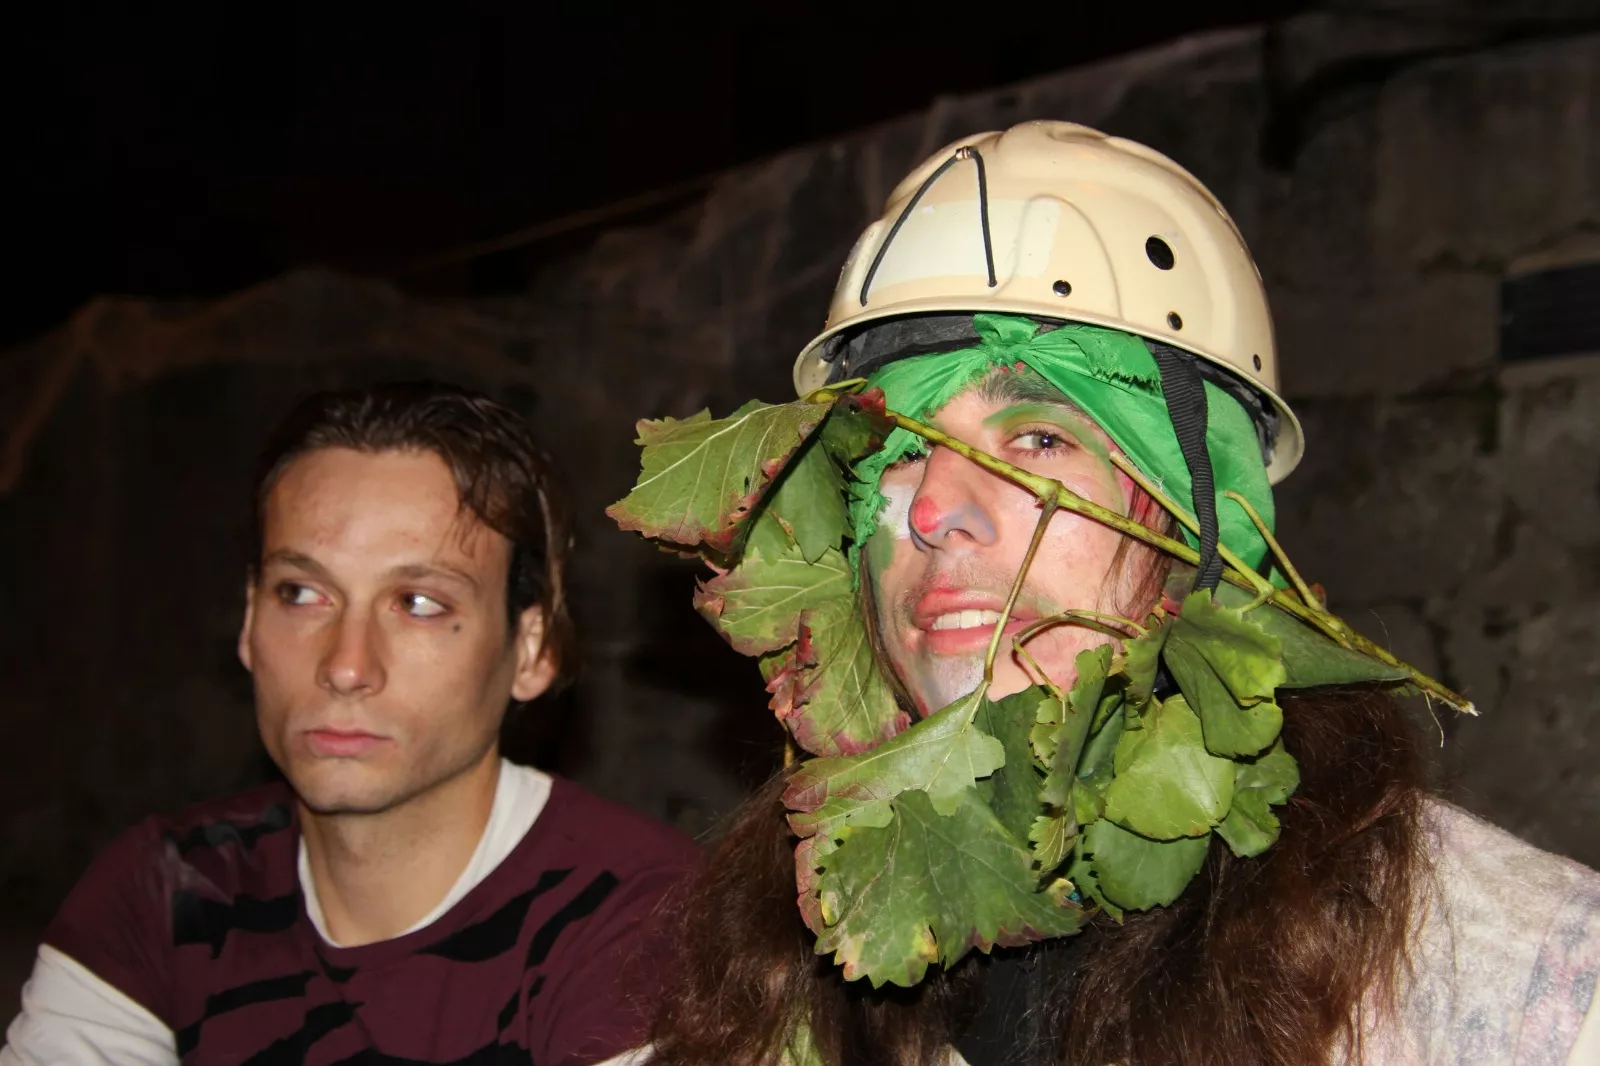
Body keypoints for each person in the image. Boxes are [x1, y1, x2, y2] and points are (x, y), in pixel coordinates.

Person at [607, 122, 1600, 1064]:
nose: (932, 512)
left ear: (1204, 522)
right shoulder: (780, 963)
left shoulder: (1519, 984)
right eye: (894, 458)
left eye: (1039, 438)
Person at [3, 382, 700, 1065]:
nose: (345, 665)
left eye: (419, 602)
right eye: (302, 593)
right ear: (249, 622)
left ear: (531, 649)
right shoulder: (166, 894)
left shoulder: (647, 922)